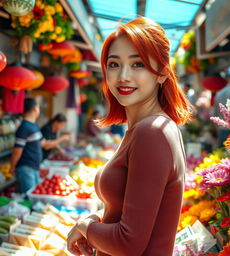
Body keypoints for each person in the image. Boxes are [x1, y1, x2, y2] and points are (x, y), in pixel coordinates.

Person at [67, 17, 192, 256]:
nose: (123, 75)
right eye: (114, 64)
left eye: (138, 64)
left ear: (162, 73)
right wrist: (97, 222)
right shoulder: (148, 128)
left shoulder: (152, 132)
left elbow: (128, 243)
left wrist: (84, 226)